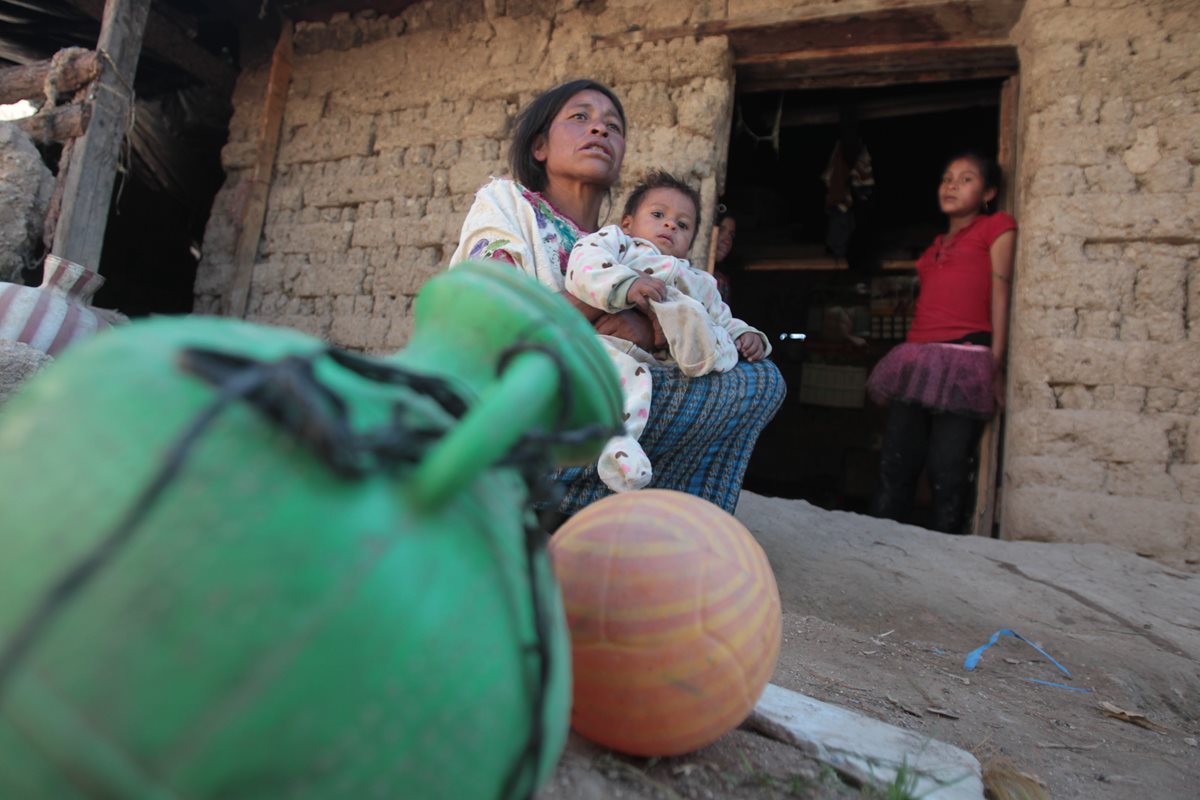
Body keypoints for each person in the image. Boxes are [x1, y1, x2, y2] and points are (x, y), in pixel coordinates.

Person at [449, 79, 785, 515]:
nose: (599, 130)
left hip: (610, 390)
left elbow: (702, 325)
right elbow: (496, 334)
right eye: (580, 117)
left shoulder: (625, 247)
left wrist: (651, 330)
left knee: (762, 380)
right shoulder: (508, 204)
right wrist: (605, 304)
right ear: (539, 147)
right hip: (526, 398)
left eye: (613, 126)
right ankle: (568, 502)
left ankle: (638, 508)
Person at [564, 170, 771, 493]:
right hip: (604, 345)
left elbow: (722, 316)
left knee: (648, 377)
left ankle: (627, 448)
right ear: (628, 223)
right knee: (623, 378)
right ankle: (617, 447)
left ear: (690, 243)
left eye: (683, 224)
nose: (670, 225)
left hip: (658, 360)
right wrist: (626, 284)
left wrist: (747, 335)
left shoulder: (700, 281)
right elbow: (584, 264)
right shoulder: (618, 244)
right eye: (658, 214)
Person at [866, 150, 1016, 534]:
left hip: (965, 358)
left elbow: (1001, 294)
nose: (952, 185)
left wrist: (995, 365)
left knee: (947, 466)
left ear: (988, 192)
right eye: (947, 178)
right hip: (916, 358)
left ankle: (948, 549)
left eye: (966, 179)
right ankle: (879, 544)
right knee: (897, 460)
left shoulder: (996, 227)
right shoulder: (933, 246)